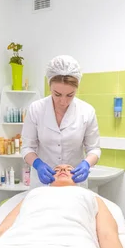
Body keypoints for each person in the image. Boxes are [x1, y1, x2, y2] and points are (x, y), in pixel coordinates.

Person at [21, 55, 101, 188]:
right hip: (43, 184)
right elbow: (27, 147)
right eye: (57, 94)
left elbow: (94, 149)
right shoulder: (36, 109)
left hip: (74, 183)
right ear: (49, 86)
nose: (63, 101)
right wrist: (37, 164)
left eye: (70, 95)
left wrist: (87, 163)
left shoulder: (87, 111)